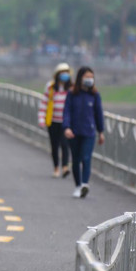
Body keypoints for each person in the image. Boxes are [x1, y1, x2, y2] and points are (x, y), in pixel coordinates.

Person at [62, 66, 105, 199]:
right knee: (76, 160)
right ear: (80, 78)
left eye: (91, 77)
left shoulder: (94, 95)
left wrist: (101, 131)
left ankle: (84, 185)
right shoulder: (72, 94)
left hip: (89, 132)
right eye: (87, 77)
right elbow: (67, 112)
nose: (89, 80)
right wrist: (66, 127)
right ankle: (77, 185)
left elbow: (99, 114)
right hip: (73, 132)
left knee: (86, 158)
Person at [38, 63, 72, 178]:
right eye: (62, 73)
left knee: (65, 144)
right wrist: (41, 118)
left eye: (67, 72)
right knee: (54, 145)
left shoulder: (71, 88)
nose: (65, 75)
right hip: (52, 121)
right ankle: (56, 167)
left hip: (65, 122)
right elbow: (44, 103)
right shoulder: (51, 87)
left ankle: (65, 167)